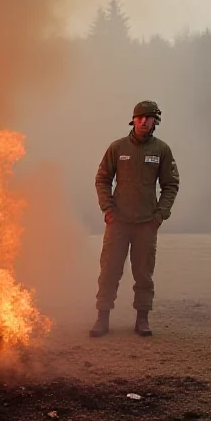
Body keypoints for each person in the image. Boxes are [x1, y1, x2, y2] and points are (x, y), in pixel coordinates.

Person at [90, 101, 180, 337]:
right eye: (139, 117)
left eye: (148, 118)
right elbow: (102, 179)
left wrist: (160, 215)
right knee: (109, 270)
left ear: (155, 122)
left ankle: (142, 319)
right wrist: (108, 209)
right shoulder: (117, 148)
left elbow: (170, 185)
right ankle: (102, 317)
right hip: (117, 222)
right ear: (133, 120)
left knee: (143, 273)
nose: (143, 121)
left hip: (146, 224)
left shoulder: (161, 150)